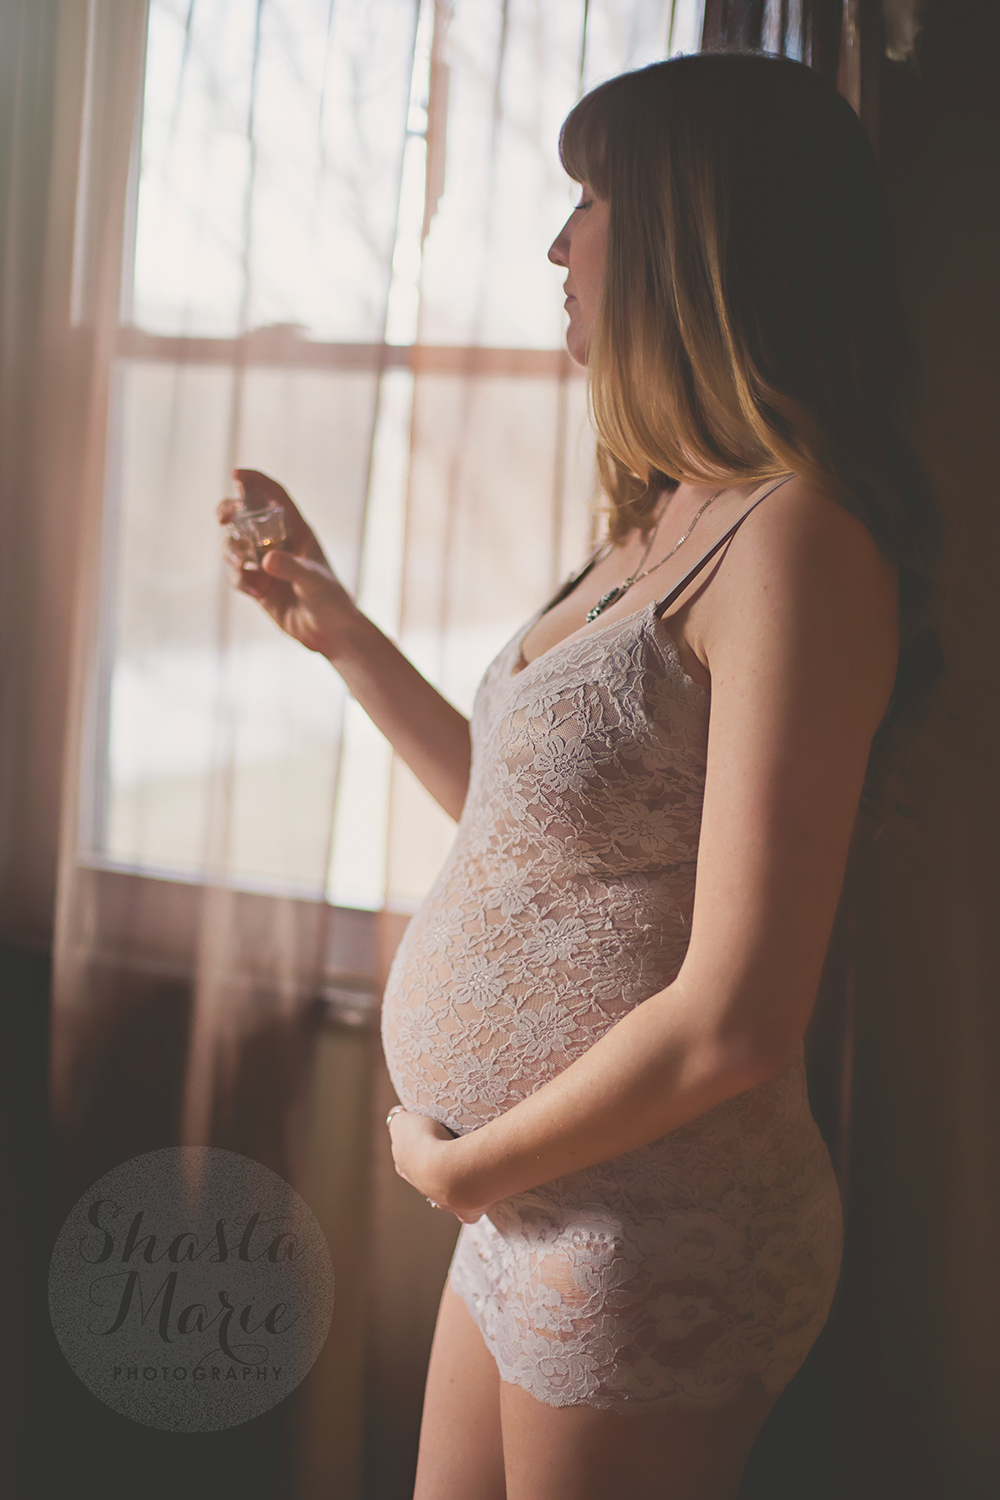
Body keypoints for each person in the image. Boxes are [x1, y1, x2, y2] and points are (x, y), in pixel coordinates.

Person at [220, 50, 938, 1500]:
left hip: (653, 1228)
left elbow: (740, 1017)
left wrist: (470, 1169)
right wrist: (342, 632)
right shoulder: (662, 516)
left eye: (590, 202)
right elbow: (529, 824)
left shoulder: (799, 542)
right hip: (536, 1206)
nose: (559, 245)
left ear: (692, 234)